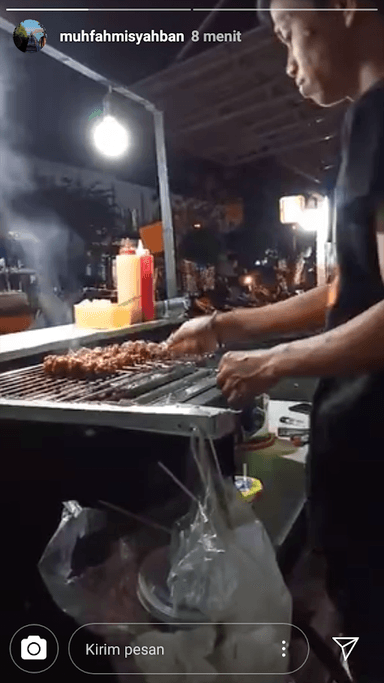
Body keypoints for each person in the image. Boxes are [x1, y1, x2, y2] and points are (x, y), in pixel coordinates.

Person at [167, 1, 384, 680]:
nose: (287, 61)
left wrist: (274, 363)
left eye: (290, 33)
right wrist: (225, 324)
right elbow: (341, 292)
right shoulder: (364, 121)